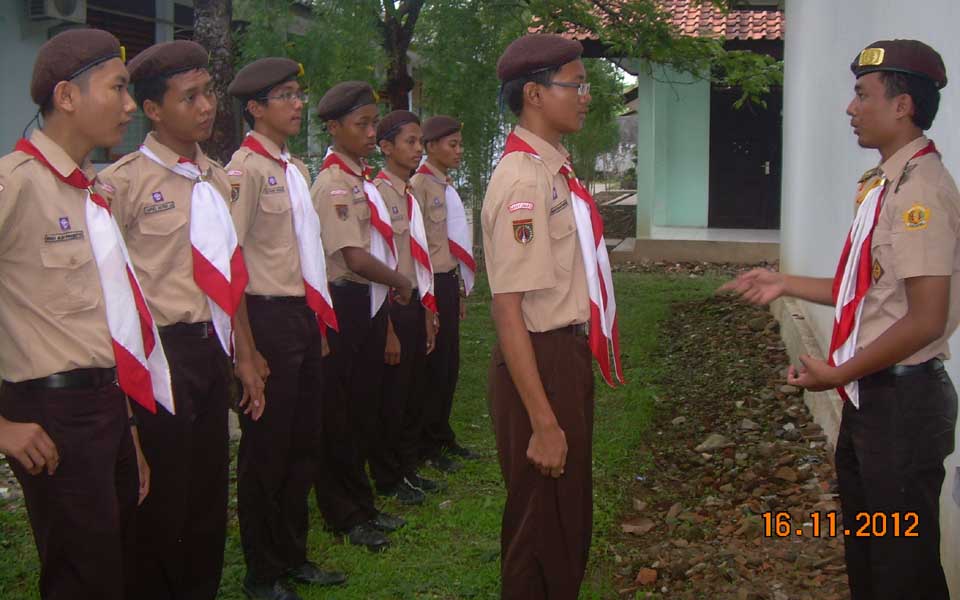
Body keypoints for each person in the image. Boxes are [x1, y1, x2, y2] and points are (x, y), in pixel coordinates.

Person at [722, 39, 958, 600]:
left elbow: (926, 320)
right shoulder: (884, 184)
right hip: (875, 396)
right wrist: (784, 282)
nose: (851, 108)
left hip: (901, 403)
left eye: (862, 95)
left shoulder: (920, 192)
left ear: (902, 106)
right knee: (872, 552)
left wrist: (838, 372)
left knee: (902, 565)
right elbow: (868, 295)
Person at [0, 28, 171, 599]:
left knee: (111, 560)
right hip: (51, 412)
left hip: (105, 406)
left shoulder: (91, 191)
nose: (129, 106)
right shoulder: (14, 186)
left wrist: (128, 431)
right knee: (82, 575)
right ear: (67, 97)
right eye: (118, 88)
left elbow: (106, 322)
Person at [95, 40, 263, 600]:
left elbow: (229, 275)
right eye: (189, 96)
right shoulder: (122, 185)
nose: (206, 105)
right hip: (157, 355)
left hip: (209, 348)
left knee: (208, 490)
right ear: (152, 110)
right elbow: (108, 293)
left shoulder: (214, 178)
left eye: (208, 92)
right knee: (162, 496)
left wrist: (245, 352)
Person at [481, 34, 624, 600]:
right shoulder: (523, 180)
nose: (586, 96)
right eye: (576, 84)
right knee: (541, 526)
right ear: (535, 94)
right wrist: (542, 419)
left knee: (564, 518)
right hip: (538, 361)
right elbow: (508, 307)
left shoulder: (552, 170)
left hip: (561, 354)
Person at [225, 56, 346, 599]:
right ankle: (262, 570)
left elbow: (308, 255)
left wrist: (317, 323)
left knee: (302, 443)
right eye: (285, 96)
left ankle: (293, 555)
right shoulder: (243, 172)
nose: (298, 104)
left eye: (299, 94)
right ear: (255, 108)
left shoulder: (293, 170)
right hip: (265, 316)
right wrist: (245, 349)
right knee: (266, 449)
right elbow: (228, 267)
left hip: (300, 315)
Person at [310, 81, 408, 551]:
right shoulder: (332, 185)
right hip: (344, 301)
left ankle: (362, 505)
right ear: (333, 127)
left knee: (363, 406)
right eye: (361, 124)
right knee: (340, 413)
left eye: (374, 122)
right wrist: (401, 281)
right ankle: (343, 513)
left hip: (367, 301)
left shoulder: (359, 179)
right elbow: (352, 256)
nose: (371, 131)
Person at [370, 110, 442, 505]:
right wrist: (388, 328)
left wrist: (429, 311)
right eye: (410, 142)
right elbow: (375, 263)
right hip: (390, 308)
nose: (418, 149)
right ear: (386, 147)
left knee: (414, 390)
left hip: (415, 302)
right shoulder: (377, 194)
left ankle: (408, 467)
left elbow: (420, 259)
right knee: (392, 398)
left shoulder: (409, 192)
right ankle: (388, 475)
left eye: (419, 142)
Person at [410, 115, 479, 473]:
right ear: (431, 145)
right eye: (451, 145)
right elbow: (417, 247)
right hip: (431, 284)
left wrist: (461, 292)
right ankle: (427, 443)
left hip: (448, 281)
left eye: (459, 144)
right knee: (433, 368)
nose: (458, 151)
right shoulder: (419, 187)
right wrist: (428, 300)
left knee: (450, 363)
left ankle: (443, 433)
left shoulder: (445, 186)